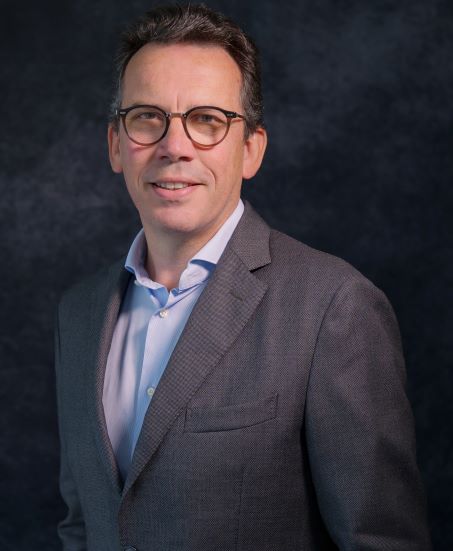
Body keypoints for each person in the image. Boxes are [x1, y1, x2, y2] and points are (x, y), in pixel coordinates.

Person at [55, 4, 432, 550]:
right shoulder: (79, 314)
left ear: (251, 149)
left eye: (207, 120)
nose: (174, 146)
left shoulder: (333, 308)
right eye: (147, 117)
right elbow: (81, 525)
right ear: (116, 144)